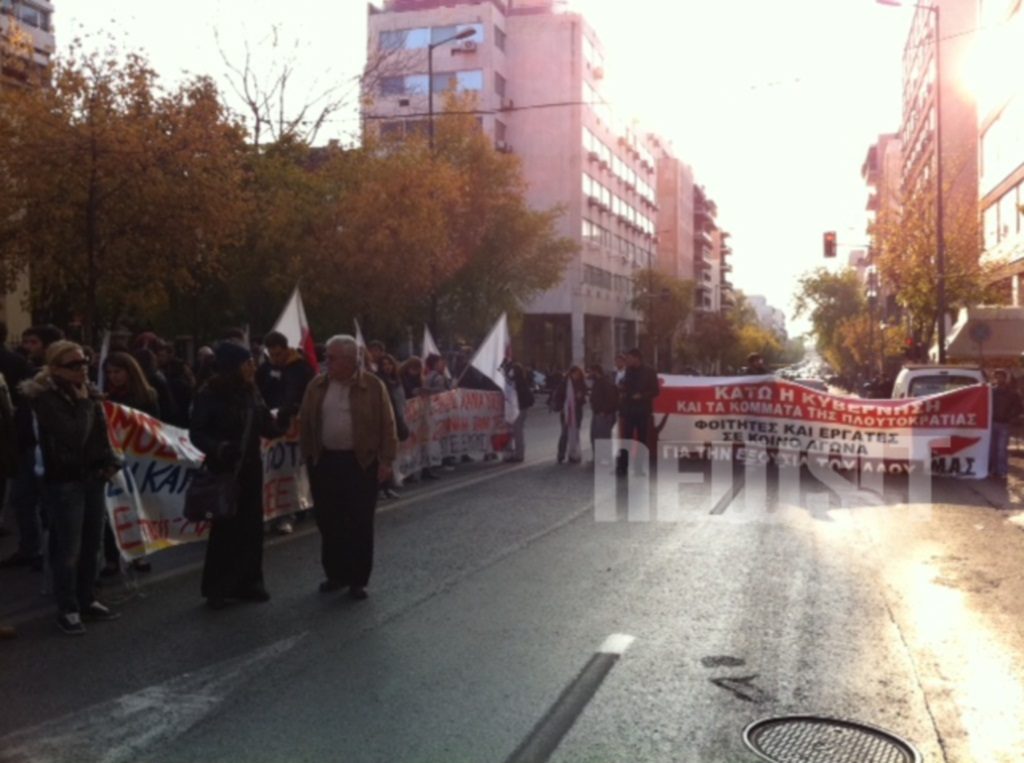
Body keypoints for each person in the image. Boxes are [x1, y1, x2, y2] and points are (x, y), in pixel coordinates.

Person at [21, 341, 124, 635]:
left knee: (93, 544)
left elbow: (99, 431)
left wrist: (109, 459)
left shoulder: (87, 391)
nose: (81, 369)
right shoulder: (45, 398)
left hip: (93, 476)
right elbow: (74, 435)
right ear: (54, 368)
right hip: (65, 480)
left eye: (84, 362)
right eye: (73, 365)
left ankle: (87, 597)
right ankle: (67, 607)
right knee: (69, 547)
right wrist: (82, 404)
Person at [298, 335, 397, 600]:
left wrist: (387, 460)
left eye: (332, 357)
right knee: (329, 521)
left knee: (359, 521)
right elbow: (305, 421)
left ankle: (357, 579)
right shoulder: (317, 385)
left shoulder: (373, 386)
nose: (326, 362)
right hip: (325, 462)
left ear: (351, 360)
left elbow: (387, 424)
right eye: (326, 357)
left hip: (361, 462)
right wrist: (306, 456)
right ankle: (335, 574)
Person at [189, 341, 282, 609]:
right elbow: (198, 432)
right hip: (225, 469)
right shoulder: (210, 393)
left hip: (250, 467)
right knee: (226, 529)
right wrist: (219, 448)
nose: (253, 366)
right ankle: (218, 587)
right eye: (247, 362)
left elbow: (265, 424)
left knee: (251, 528)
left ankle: (250, 583)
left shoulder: (251, 391)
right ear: (233, 366)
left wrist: (283, 420)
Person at [1, 324, 63, 571]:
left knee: (47, 503)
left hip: (45, 448)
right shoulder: (26, 366)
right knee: (22, 498)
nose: (27, 347)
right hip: (27, 442)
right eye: (26, 342)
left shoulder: (53, 375)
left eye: (33, 342)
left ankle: (51, 552)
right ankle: (32, 548)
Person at [99, 351, 160, 576]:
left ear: (130, 371)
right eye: (110, 373)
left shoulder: (147, 396)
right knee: (113, 510)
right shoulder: (105, 398)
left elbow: (155, 428)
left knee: (136, 508)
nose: (114, 377)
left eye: (118, 371)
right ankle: (112, 559)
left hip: (138, 460)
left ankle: (139, 554)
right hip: (113, 459)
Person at [256, 331, 316, 534]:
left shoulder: (301, 367)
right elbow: (259, 392)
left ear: (286, 349)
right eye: (271, 355)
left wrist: (292, 408)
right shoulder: (265, 368)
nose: (276, 359)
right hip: (272, 426)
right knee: (274, 472)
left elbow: (308, 392)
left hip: (295, 426)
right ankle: (276, 512)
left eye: (279, 354)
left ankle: (291, 511)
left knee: (292, 471)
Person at [617, 348, 659, 476]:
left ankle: (639, 468)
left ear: (637, 358)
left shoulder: (650, 372)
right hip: (629, 410)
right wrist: (622, 388)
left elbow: (656, 391)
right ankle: (623, 467)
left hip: (642, 411)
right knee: (626, 439)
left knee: (641, 441)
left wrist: (642, 396)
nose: (627, 360)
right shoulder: (628, 371)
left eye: (629, 358)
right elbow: (625, 386)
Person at [375, 353, 408, 499]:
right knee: (382, 455)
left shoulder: (395, 380)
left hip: (396, 418)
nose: (387, 367)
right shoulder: (379, 381)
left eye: (389, 363)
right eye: (384, 365)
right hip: (385, 421)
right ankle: (380, 487)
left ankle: (387, 486)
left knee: (389, 455)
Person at [990, 369, 1022, 480]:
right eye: (997, 377)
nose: (999, 379)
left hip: (1004, 424)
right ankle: (993, 470)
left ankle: (1002, 471)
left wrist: (1011, 418)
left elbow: (1019, 408)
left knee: (1001, 449)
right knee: (992, 448)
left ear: (1005, 378)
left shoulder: (1012, 394)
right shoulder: (991, 392)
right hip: (992, 423)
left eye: (1001, 377)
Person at [552, 366, 587, 464]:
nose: (576, 376)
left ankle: (573, 454)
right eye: (575, 373)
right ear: (570, 373)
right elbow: (558, 396)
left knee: (575, 432)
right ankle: (561, 454)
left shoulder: (581, 384)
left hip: (577, 412)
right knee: (564, 433)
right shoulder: (564, 384)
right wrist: (561, 406)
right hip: (566, 412)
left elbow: (584, 398)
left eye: (578, 374)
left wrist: (580, 397)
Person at [587, 364, 619, 464]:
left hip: (603, 414)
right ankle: (597, 457)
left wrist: (605, 411)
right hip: (597, 413)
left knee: (603, 436)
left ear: (596, 371)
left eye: (591, 371)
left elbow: (611, 398)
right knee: (595, 435)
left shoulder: (605, 382)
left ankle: (605, 458)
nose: (589, 374)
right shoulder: (597, 382)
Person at [503, 362, 534, 463]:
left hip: (519, 409)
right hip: (514, 409)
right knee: (512, 431)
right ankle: (511, 453)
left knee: (517, 432)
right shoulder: (515, 382)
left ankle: (518, 454)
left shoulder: (519, 382)